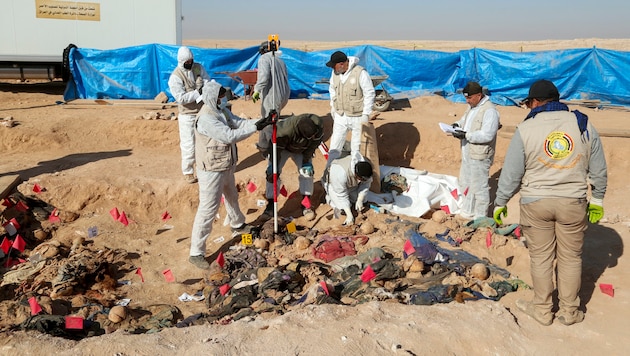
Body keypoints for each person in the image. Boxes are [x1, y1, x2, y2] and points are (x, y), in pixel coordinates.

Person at [493, 79, 607, 326]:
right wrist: (597, 199)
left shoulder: (526, 128)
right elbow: (598, 168)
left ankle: (543, 310)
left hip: (536, 203)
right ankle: (569, 311)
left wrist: (500, 202)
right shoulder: (582, 123)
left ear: (534, 102)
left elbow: (511, 173)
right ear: (557, 99)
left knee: (541, 258)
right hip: (572, 202)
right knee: (571, 258)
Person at [188, 80, 274, 270]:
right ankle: (196, 251)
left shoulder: (221, 111)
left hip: (225, 163)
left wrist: (261, 121)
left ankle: (237, 223)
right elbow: (229, 135)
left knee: (232, 196)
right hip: (211, 169)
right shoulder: (206, 118)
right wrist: (256, 128)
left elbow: (239, 122)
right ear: (212, 98)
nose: (223, 99)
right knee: (208, 209)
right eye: (220, 96)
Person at [451, 81, 501, 219]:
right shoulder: (472, 106)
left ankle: (480, 217)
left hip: (480, 154)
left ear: (479, 95)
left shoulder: (490, 111)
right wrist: (457, 125)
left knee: (479, 187)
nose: (467, 101)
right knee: (466, 182)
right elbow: (466, 120)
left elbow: (487, 134)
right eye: (466, 98)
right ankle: (468, 211)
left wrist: (467, 135)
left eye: (469, 98)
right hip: (468, 152)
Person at [262, 113, 324, 221]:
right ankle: (271, 205)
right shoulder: (284, 132)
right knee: (273, 174)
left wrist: (306, 161)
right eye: (311, 137)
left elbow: (313, 144)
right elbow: (275, 149)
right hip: (283, 148)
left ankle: (306, 203)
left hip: (303, 150)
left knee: (307, 173)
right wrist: (273, 165)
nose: (313, 137)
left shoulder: (318, 126)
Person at [168, 46, 212, 184]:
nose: (190, 64)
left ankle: (203, 169)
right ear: (181, 62)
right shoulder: (175, 77)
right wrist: (197, 93)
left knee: (204, 142)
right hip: (187, 115)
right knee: (189, 145)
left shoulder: (198, 68)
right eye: (187, 62)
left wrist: (206, 88)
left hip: (202, 112)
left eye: (191, 61)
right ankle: (188, 171)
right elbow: (181, 98)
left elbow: (207, 81)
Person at [326, 51, 375, 170]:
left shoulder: (360, 73)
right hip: (340, 116)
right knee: (335, 146)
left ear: (342, 64)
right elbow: (332, 89)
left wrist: (366, 114)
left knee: (356, 148)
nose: (333, 68)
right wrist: (333, 106)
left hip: (357, 116)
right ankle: (329, 172)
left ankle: (354, 173)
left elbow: (369, 93)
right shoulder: (335, 73)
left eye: (334, 65)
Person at [252, 40, 291, 159]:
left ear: (263, 51)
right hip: (283, 96)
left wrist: (257, 90)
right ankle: (263, 145)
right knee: (266, 119)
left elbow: (263, 77)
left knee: (269, 123)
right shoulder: (280, 60)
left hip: (271, 96)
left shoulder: (264, 59)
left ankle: (273, 152)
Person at [321, 155, 373, 226]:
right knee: (341, 208)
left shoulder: (366, 168)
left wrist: (360, 199)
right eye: (362, 179)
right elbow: (342, 195)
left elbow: (366, 184)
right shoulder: (340, 174)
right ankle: (329, 197)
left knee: (362, 200)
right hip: (333, 185)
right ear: (356, 175)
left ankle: (353, 202)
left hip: (350, 184)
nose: (363, 181)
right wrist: (349, 215)